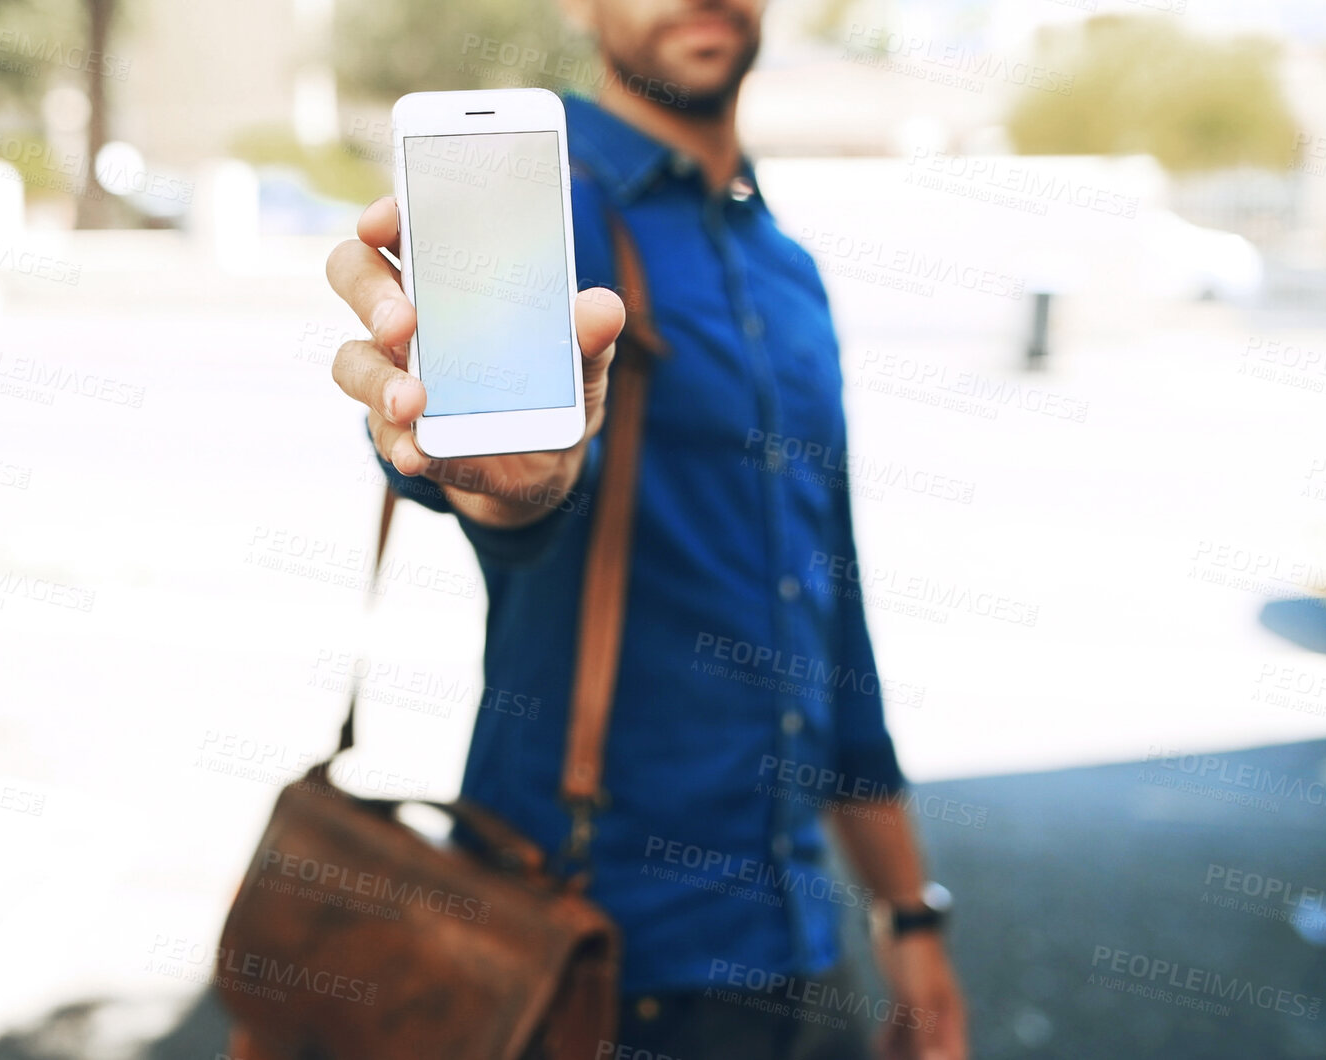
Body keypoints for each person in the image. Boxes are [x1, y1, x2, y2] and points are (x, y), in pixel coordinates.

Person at [323, 0, 968, 1056]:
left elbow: (830, 604)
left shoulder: (787, 268)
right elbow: (504, 494)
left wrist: (907, 912)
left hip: (804, 947)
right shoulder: (543, 207)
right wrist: (502, 482)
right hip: (590, 954)